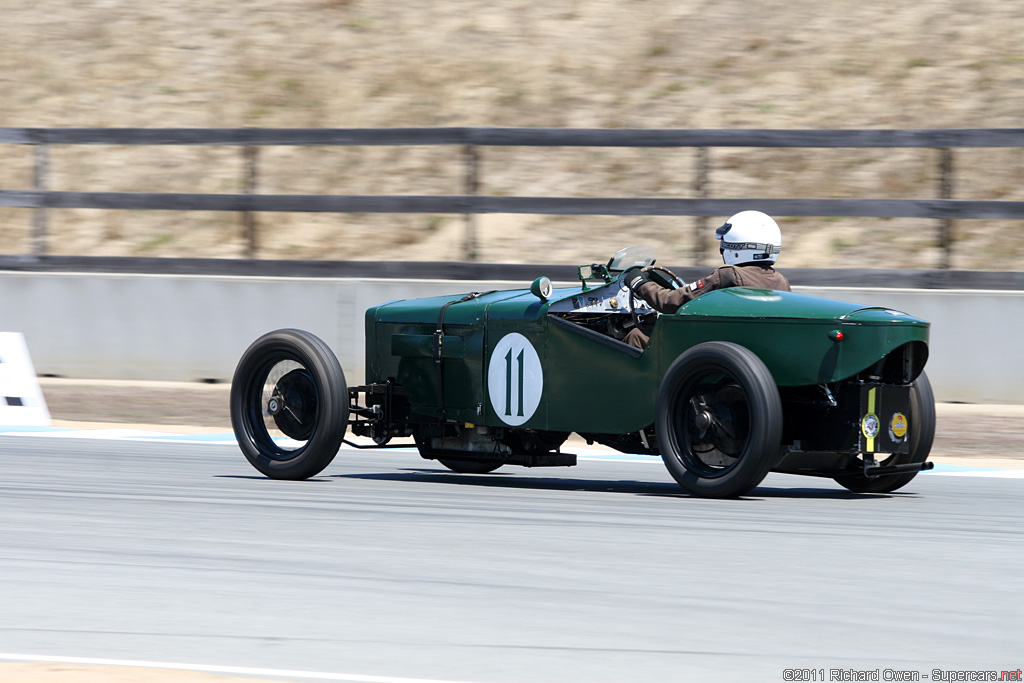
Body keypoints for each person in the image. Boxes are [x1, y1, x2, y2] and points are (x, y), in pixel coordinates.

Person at [623, 210, 791, 349]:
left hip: (711, 350)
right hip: (753, 350)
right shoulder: (781, 282)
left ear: (737, 247)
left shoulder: (727, 275)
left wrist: (639, 283)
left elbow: (671, 303)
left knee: (637, 336)